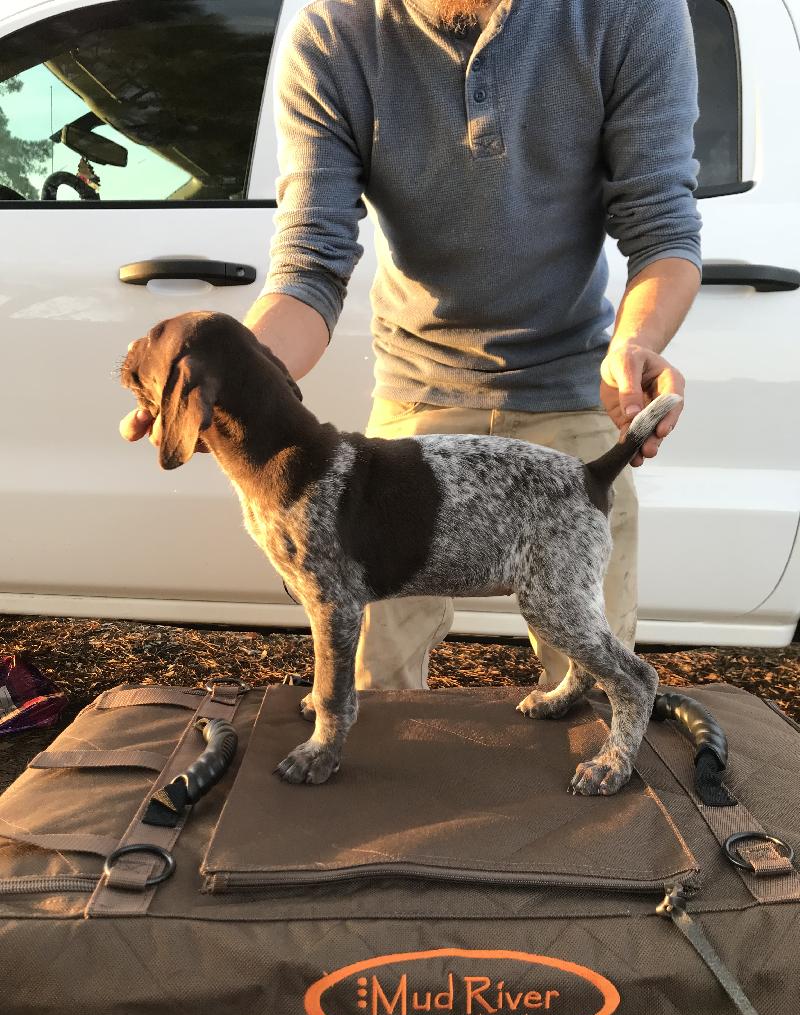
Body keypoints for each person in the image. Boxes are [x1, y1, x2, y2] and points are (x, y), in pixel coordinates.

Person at [122, 0, 702, 694]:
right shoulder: (334, 30)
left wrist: (636, 341)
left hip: (577, 396)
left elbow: (662, 223)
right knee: (377, 689)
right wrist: (227, 381)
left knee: (595, 682)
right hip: (416, 405)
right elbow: (311, 260)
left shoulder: (629, 12)